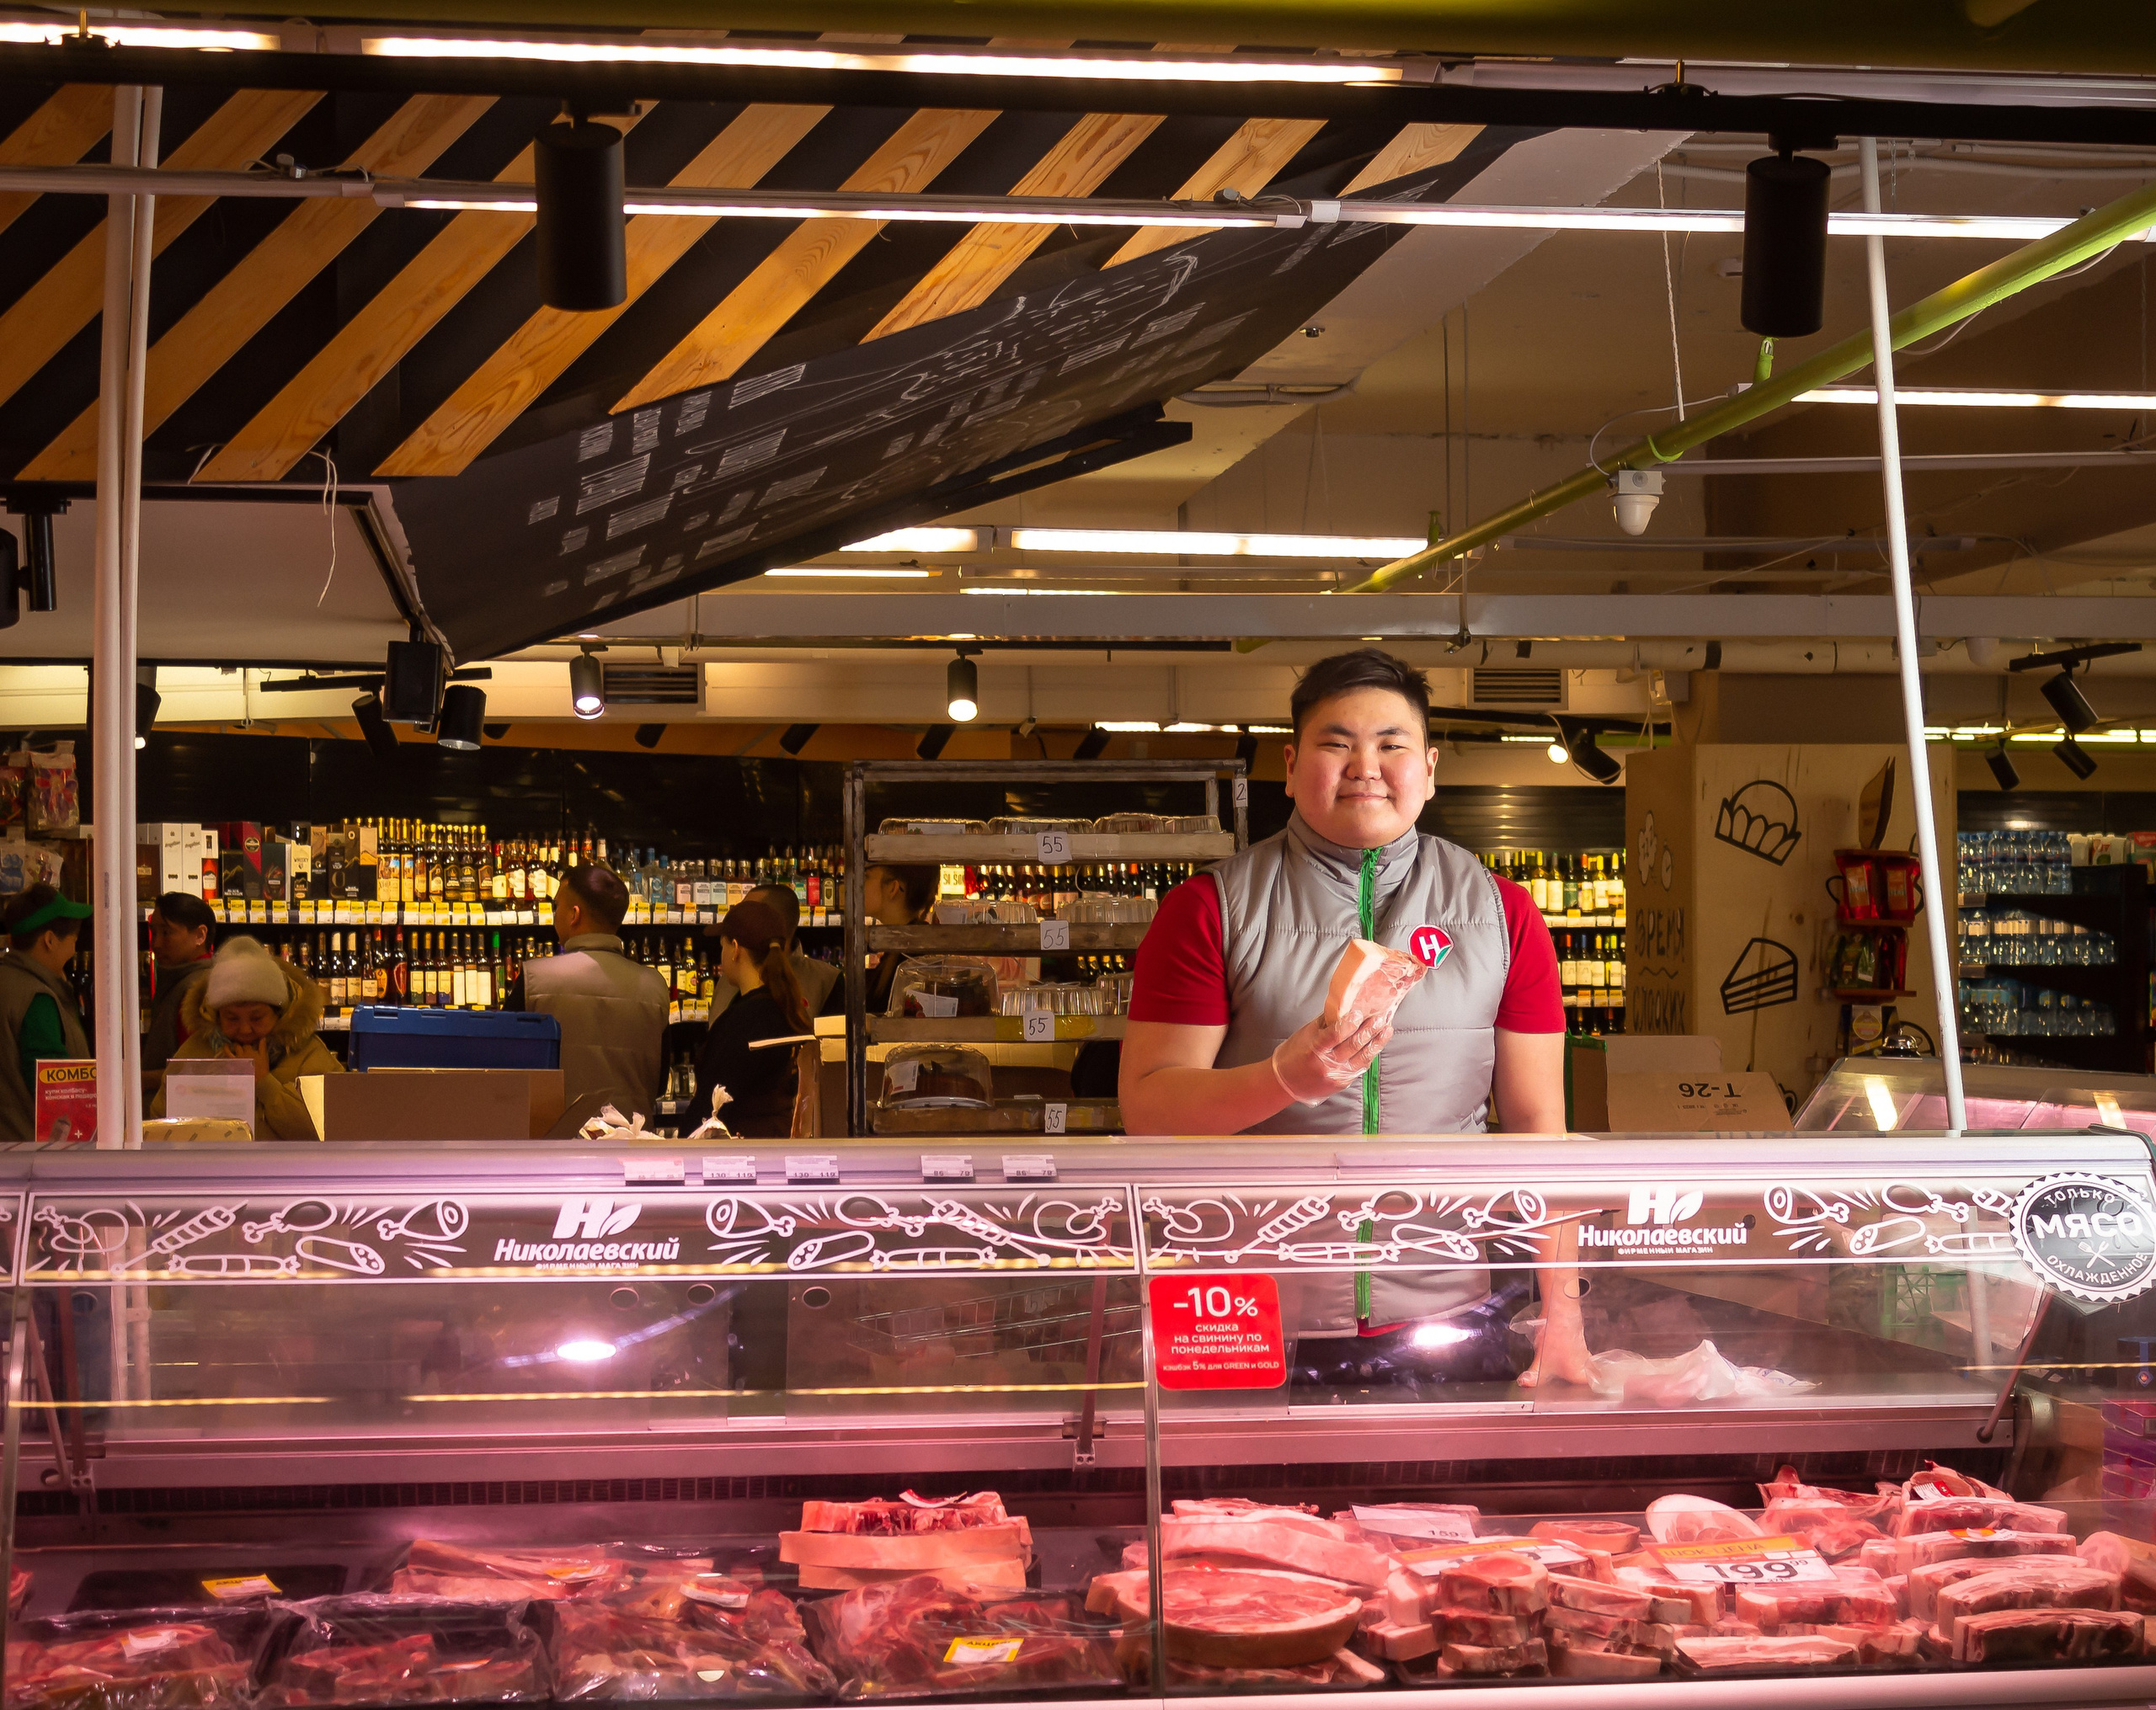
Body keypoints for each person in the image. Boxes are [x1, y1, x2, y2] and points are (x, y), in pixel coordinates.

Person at [1118, 647, 1577, 1389]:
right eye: (1337, 744)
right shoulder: (1210, 909)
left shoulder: (1503, 914)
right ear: (1293, 767)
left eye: (1392, 744)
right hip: (1248, 1309)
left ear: (1429, 768)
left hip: (1451, 1310)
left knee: (1440, 1509)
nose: (1366, 765)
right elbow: (1148, 1106)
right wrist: (1283, 1078)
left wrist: (1564, 1317)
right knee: (1246, 1507)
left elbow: (1539, 1132)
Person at [509, 861, 669, 1120]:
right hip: (632, 1146)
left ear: (574, 914)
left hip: (556, 1145)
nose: (554, 914)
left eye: (557, 906)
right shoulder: (655, 986)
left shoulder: (534, 978)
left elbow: (507, 1070)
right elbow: (661, 1083)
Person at [150, 935, 343, 1139]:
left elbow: (329, 1132)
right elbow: (160, 1123)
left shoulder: (309, 1055)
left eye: (257, 1018)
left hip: (289, 1171)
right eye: (231, 1018)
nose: (244, 1029)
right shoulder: (195, 1051)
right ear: (216, 1016)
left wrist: (265, 1084)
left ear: (280, 1013)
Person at [686, 898, 812, 1137]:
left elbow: (708, 1108)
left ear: (735, 949)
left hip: (742, 1158)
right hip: (785, 1149)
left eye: (722, 946)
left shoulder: (742, 1021)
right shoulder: (791, 1009)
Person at [0, 884, 90, 1143]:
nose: (74, 950)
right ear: (49, 940)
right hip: (29, 1157)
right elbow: (55, 1095)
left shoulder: (9, 982)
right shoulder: (36, 1000)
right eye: (72, 940)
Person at [711, 882, 838, 1020]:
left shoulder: (827, 980)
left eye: (749, 911)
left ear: (775, 921)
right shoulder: (729, 978)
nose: (739, 916)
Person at [143, 891, 216, 1085]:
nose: (156, 943)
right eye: (154, 932)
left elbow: (199, 1071)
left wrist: (137, 1079)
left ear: (200, 935)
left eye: (167, 932)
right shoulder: (181, 980)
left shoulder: (199, 988)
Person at [861, 861, 937, 1015]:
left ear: (893, 888)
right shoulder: (904, 946)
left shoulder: (912, 956)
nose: (859, 886)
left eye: (866, 877)